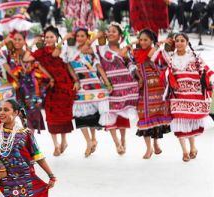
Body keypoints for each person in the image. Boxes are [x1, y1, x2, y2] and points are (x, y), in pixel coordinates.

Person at [158, 33, 213, 161]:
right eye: (177, 41)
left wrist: (209, 83)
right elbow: (159, 53)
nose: (179, 43)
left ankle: (193, 147)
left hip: (193, 95)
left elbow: (206, 71)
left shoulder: (195, 57)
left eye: (182, 40)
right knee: (179, 122)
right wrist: (165, 43)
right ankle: (184, 152)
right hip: (178, 96)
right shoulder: (171, 57)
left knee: (189, 121)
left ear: (187, 42)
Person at [25, 26, 76, 156]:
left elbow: (55, 53)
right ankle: (55, 145)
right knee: (51, 116)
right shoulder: (41, 51)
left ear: (56, 38)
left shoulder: (62, 49)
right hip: (50, 87)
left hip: (64, 86)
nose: (48, 39)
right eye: (46, 37)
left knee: (63, 115)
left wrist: (64, 39)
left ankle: (64, 141)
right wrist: (32, 43)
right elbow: (26, 58)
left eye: (51, 37)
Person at [62, 28, 112, 157]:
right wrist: (76, 80)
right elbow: (69, 67)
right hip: (81, 85)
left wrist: (107, 82)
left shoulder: (91, 51)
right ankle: (88, 141)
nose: (79, 38)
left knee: (92, 115)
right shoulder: (70, 50)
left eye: (82, 36)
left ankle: (94, 138)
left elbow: (99, 68)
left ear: (87, 37)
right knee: (80, 114)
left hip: (94, 84)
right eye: (77, 36)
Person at [93, 23, 140, 155]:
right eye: (109, 31)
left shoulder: (125, 49)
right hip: (110, 85)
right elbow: (99, 66)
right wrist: (97, 36)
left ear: (120, 35)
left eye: (114, 31)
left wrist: (138, 78)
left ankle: (123, 139)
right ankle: (117, 143)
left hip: (125, 85)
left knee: (122, 112)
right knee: (110, 112)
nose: (111, 33)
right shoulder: (101, 49)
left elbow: (131, 65)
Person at [131, 29, 172, 159]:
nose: (142, 42)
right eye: (141, 39)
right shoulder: (135, 53)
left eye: (145, 40)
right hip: (143, 90)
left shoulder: (157, 53)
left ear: (151, 41)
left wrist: (159, 47)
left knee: (156, 117)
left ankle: (155, 143)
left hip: (157, 88)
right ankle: (148, 148)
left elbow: (164, 65)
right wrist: (139, 77)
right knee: (144, 118)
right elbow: (131, 66)